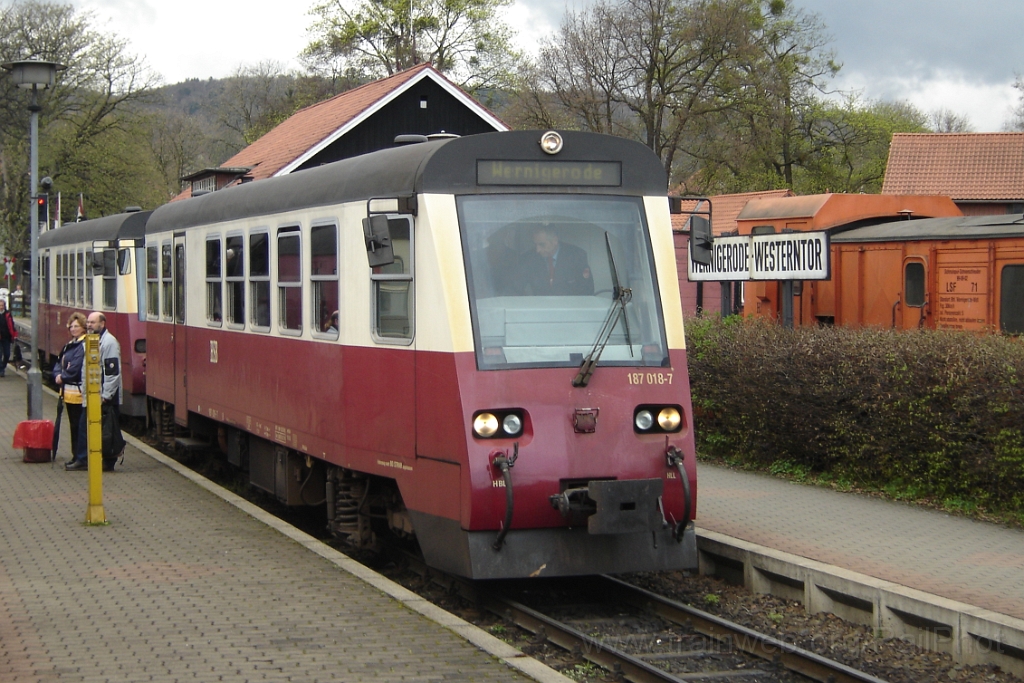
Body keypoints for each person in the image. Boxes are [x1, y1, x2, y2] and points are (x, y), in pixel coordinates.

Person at [66, 312, 125, 472]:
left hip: (103, 396)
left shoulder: (109, 342)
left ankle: (103, 460)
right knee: (88, 427)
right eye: (89, 323)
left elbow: (112, 373)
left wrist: (105, 396)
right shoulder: (91, 341)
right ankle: (85, 458)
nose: (89, 325)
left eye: (93, 322)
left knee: (108, 429)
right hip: (92, 395)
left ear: (102, 323)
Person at [520, 227, 594, 296]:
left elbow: (587, 291)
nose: (537, 250)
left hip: (570, 307)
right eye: (535, 244)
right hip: (539, 306)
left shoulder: (576, 256)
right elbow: (516, 289)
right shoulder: (528, 258)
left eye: (542, 244)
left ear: (555, 240)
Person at [54, 313, 87, 465]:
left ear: (83, 328)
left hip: (78, 394)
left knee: (79, 427)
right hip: (68, 394)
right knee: (73, 426)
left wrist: (63, 376)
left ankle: (81, 457)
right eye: (71, 326)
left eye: (76, 326)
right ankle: (76, 456)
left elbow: (75, 368)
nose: (73, 329)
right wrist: (57, 374)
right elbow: (59, 362)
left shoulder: (82, 345)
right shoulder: (70, 345)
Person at [0, 298, 17, 377]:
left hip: (6, 337)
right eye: (0, 305)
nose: (1, 307)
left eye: (2, 305)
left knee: (7, 354)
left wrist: (14, 334)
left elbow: (12, 325)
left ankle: (3, 367)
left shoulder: (8, 314)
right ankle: (1, 370)